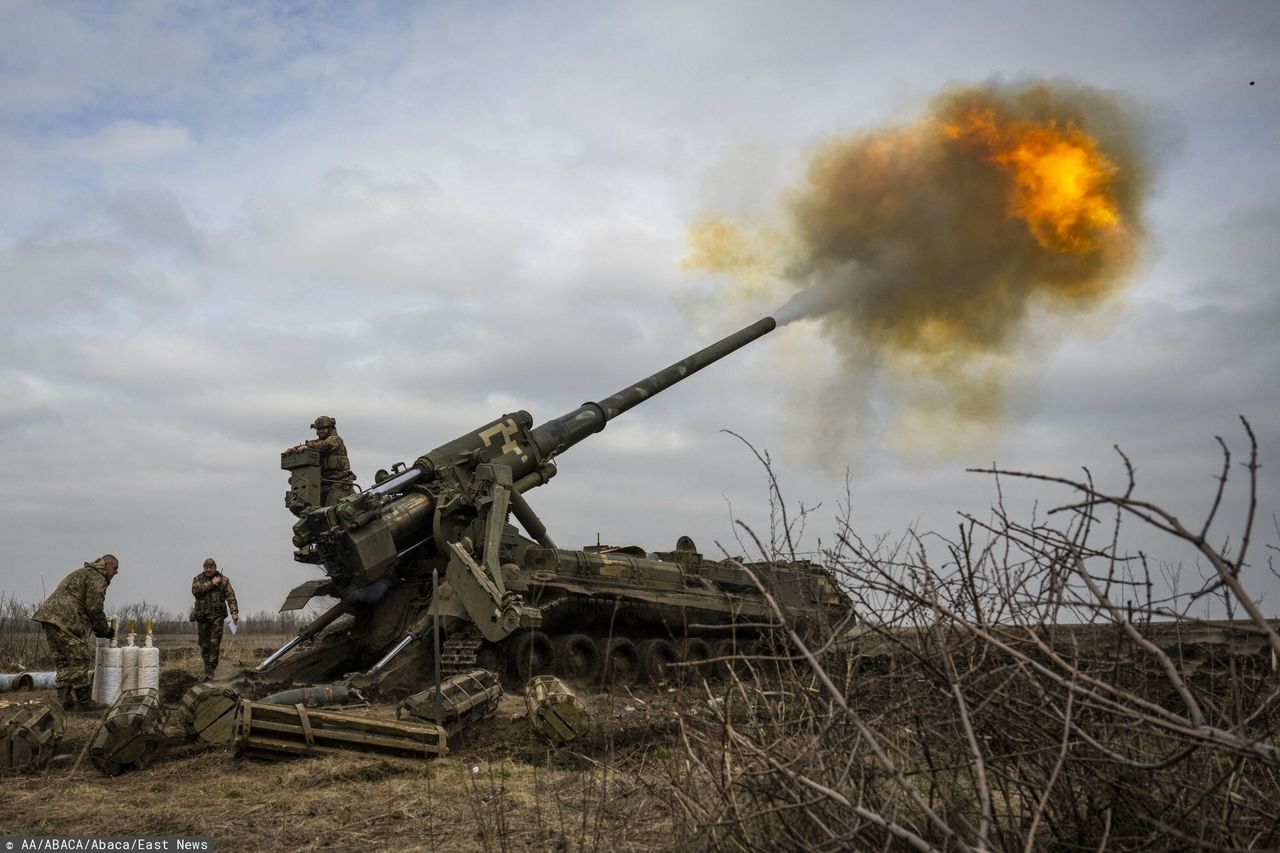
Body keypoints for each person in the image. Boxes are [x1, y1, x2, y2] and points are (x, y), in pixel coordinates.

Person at [32, 554, 118, 710]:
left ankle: (65, 699)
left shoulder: (84, 573)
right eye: (115, 568)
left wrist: (95, 627)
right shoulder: (97, 577)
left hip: (50, 617)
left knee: (63, 659)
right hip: (66, 618)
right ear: (106, 564)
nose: (116, 572)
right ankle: (83, 701)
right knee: (79, 656)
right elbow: (94, 607)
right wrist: (105, 630)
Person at [282, 415, 358, 505]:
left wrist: (307, 446)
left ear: (330, 428)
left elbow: (325, 444)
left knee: (330, 511)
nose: (320, 431)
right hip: (322, 483)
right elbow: (312, 445)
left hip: (339, 483)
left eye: (323, 428)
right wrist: (294, 449)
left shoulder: (335, 440)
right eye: (318, 429)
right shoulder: (316, 443)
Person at [191, 557, 239, 680]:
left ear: (215, 568)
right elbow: (196, 591)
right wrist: (212, 583)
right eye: (206, 567)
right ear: (203, 568)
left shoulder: (224, 581)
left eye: (210, 567)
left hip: (217, 618)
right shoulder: (198, 579)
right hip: (202, 618)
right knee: (204, 645)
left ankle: (210, 671)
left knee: (214, 644)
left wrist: (234, 612)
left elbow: (231, 597)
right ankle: (207, 668)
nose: (208, 569)